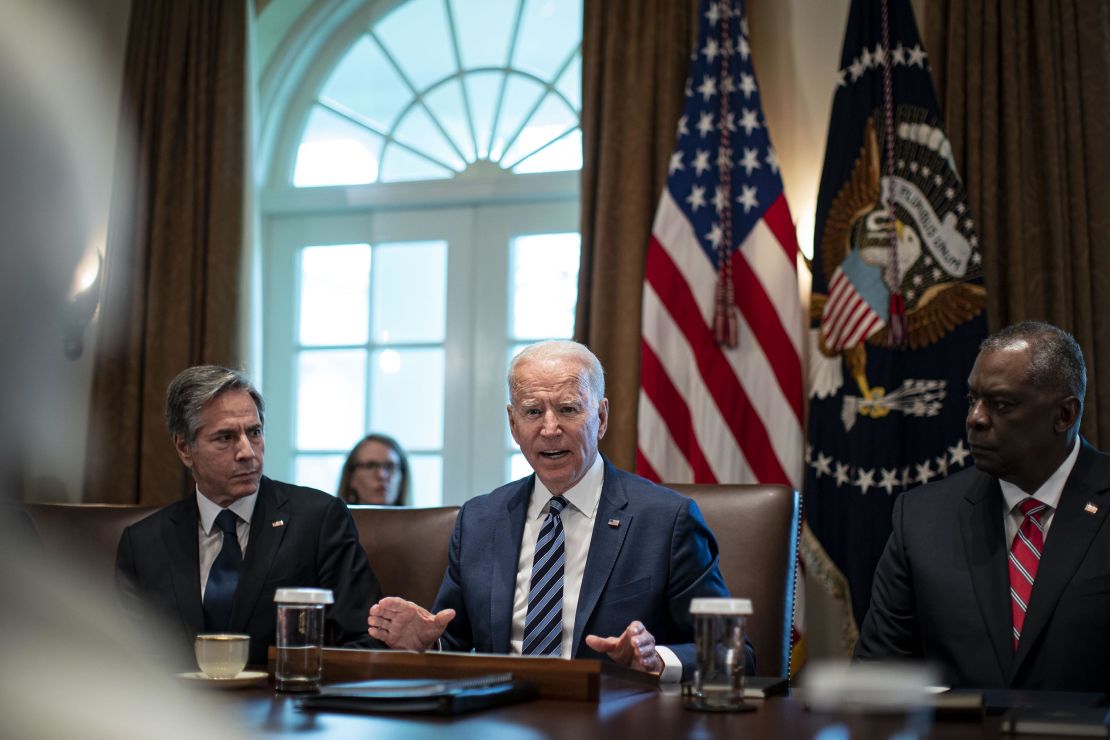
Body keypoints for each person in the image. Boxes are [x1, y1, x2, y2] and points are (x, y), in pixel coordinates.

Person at [367, 340, 746, 682]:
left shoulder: (667, 520)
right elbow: (452, 638)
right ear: (513, 424)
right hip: (499, 721)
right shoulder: (480, 520)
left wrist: (656, 660)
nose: (550, 429)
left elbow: (734, 652)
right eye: (533, 412)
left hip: (611, 723)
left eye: (568, 409)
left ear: (602, 417)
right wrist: (425, 646)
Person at [855, 321, 1110, 690]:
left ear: (1064, 415)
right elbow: (874, 679)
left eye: (1001, 404)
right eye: (972, 400)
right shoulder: (922, 519)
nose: (975, 419)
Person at [116, 365, 383, 667]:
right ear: (184, 448)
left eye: (254, 432)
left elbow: (367, 641)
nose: (247, 452)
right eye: (226, 437)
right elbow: (128, 664)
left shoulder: (318, 521)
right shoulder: (143, 545)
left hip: (285, 708)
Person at [338, 433, 409, 505]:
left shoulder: (420, 516)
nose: (381, 475)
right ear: (351, 477)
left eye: (390, 466)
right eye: (370, 466)